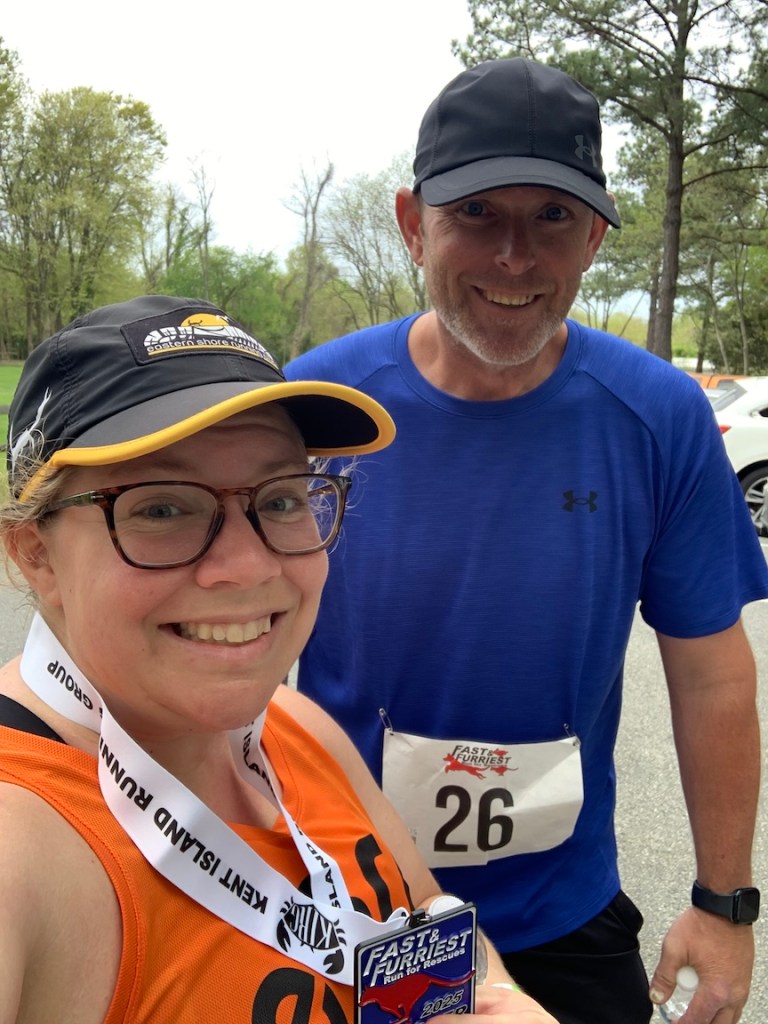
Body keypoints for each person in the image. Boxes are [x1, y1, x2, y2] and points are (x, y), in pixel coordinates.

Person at [285, 58, 768, 1024]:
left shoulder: (658, 416)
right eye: (477, 215)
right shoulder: (317, 406)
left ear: (593, 236)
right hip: (338, 902)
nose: (516, 257)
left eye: (551, 218)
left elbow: (712, 674)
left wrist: (724, 904)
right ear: (413, 222)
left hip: (563, 916)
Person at [0, 294, 556, 1024]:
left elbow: (427, 912)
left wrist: (500, 997)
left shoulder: (297, 728)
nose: (248, 563)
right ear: (35, 553)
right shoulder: (21, 844)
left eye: (283, 498)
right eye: (162, 508)